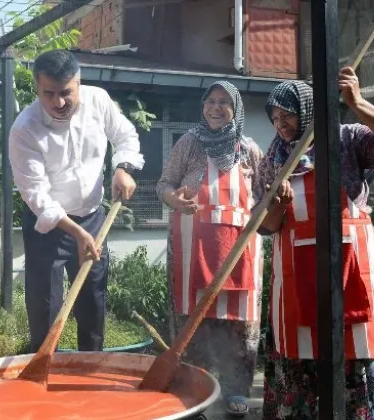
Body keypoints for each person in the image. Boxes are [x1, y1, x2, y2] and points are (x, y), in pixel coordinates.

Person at [258, 71, 374, 420]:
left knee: (352, 348)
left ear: (308, 109)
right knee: (298, 354)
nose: (281, 124)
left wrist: (357, 103)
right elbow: (265, 226)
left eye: (288, 114)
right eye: (275, 118)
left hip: (349, 266)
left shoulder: (346, 139)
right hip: (295, 272)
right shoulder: (273, 161)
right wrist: (277, 205)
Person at [9, 49, 144, 352]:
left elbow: (125, 136)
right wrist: (77, 232)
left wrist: (122, 168)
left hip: (94, 218)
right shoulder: (24, 129)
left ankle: (90, 372)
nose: (58, 103)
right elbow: (38, 197)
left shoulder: (98, 101)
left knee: (93, 301)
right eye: (49, 94)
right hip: (48, 227)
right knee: (45, 306)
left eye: (66, 93)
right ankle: (42, 372)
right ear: (37, 89)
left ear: (79, 83)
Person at [155, 81, 264, 417]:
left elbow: (264, 196)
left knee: (238, 323)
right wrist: (173, 198)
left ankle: (236, 389)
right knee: (194, 320)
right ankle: (194, 390)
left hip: (240, 248)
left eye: (224, 103)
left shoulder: (249, 150)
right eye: (210, 102)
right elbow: (164, 183)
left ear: (236, 109)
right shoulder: (189, 142)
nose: (215, 108)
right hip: (193, 246)